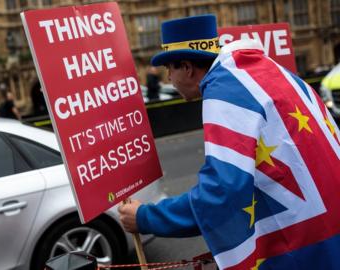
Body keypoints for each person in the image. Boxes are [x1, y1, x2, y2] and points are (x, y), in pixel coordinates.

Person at [118, 15, 340, 269]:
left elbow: (221, 194)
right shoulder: (264, 69)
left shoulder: (223, 89)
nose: (169, 77)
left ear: (187, 67)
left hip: (308, 248)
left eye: (170, 68)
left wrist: (146, 217)